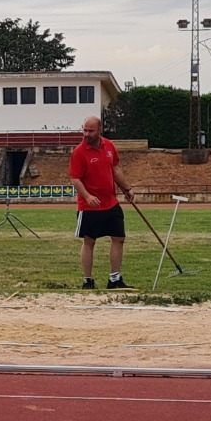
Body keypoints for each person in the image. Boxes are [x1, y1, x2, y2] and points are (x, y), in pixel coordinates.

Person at [68, 115, 133, 290]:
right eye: (84, 130)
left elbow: (115, 168)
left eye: (91, 131)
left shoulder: (109, 146)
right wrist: (88, 196)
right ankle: (88, 281)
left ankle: (115, 279)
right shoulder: (79, 152)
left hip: (110, 202)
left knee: (119, 238)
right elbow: (75, 179)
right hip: (89, 206)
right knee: (89, 241)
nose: (86, 134)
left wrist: (127, 188)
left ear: (100, 130)